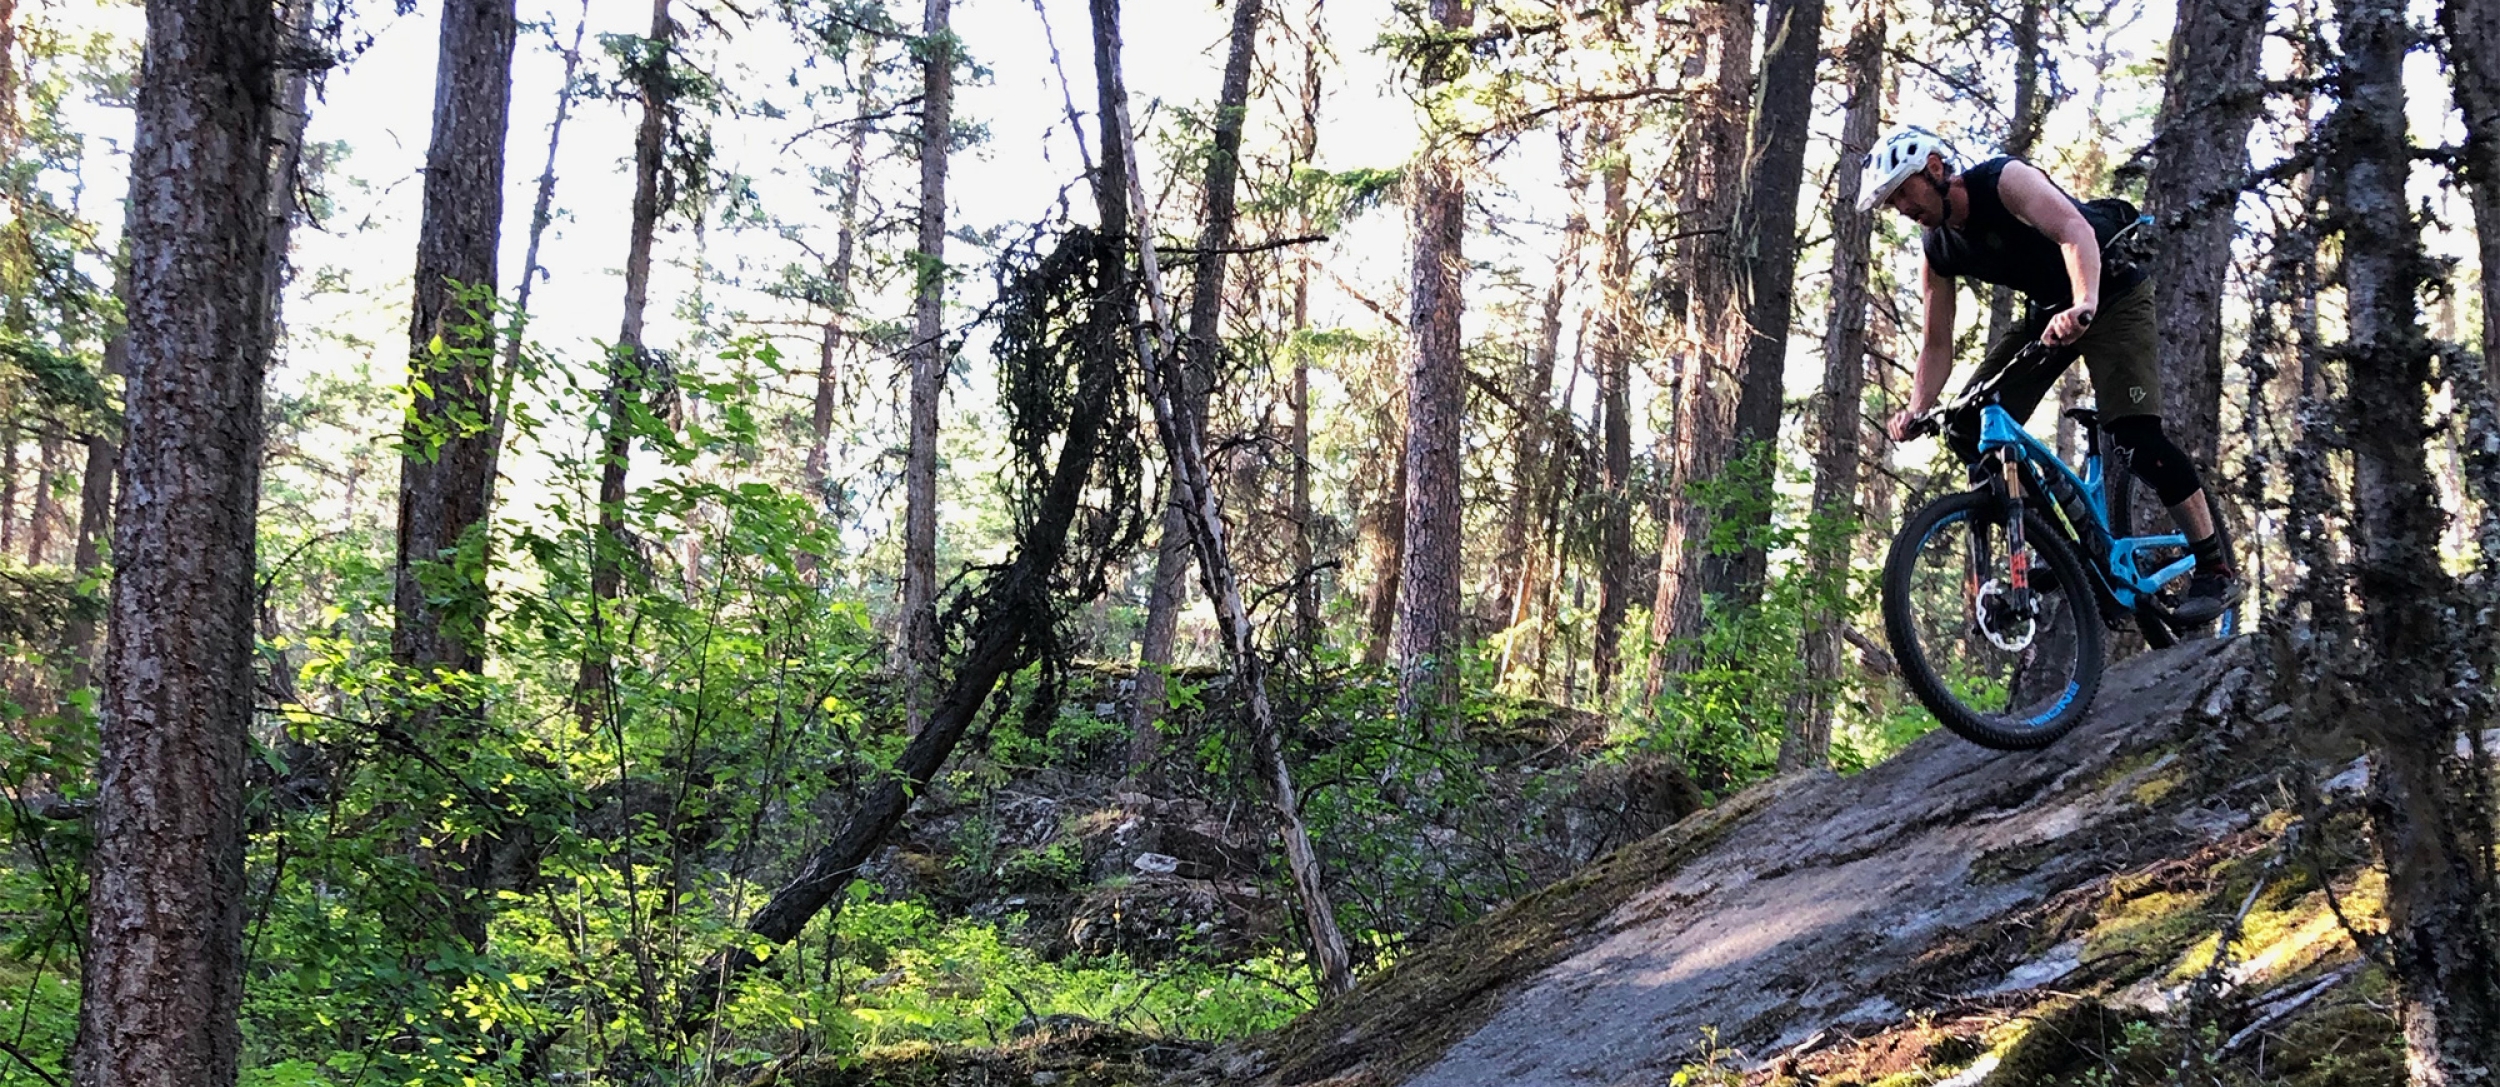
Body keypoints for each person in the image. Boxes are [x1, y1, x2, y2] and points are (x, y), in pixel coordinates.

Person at [1860, 124, 2240, 624]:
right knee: (1968, 427)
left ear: (1934, 169)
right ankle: (2058, 547)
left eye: (1902, 193)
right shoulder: (1938, 249)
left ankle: (2214, 566)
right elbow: (1935, 343)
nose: (1902, 209)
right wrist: (1917, 407)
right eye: (1891, 204)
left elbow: (2073, 231)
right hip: (2051, 315)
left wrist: (2085, 302)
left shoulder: (2003, 180)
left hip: (2111, 291)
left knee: (2135, 435)